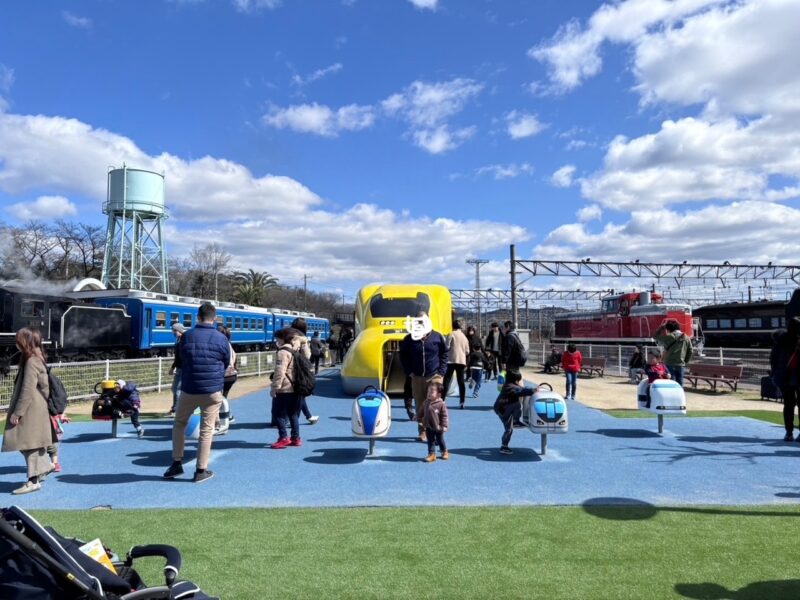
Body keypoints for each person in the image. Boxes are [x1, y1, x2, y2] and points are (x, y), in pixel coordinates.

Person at [164, 302, 230, 483]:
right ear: (214, 318)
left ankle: (176, 463)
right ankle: (201, 470)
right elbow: (225, 362)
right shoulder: (221, 338)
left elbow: (181, 359)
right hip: (212, 390)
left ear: (197, 317)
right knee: (206, 430)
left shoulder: (187, 336)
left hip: (189, 388)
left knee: (179, 423)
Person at [1, 328, 57, 494]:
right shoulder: (37, 358)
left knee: (28, 443)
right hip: (36, 407)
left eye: (18, 340)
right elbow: (44, 387)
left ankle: (34, 480)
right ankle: (43, 469)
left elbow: (27, 389)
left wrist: (18, 413)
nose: (16, 343)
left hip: (30, 409)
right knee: (33, 444)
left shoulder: (31, 361)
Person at [399, 311, 448, 442]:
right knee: (420, 405)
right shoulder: (409, 339)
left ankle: (436, 432)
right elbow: (403, 355)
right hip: (417, 376)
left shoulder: (437, 337)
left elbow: (444, 354)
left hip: (434, 376)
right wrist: (409, 371)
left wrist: (441, 371)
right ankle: (423, 432)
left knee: (434, 404)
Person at [270, 327, 305, 448]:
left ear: (282, 338)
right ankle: (296, 438)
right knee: (293, 414)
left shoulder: (282, 352)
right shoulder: (295, 351)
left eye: (277, 338)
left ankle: (283, 437)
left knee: (278, 413)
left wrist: (275, 387)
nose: (276, 341)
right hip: (296, 387)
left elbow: (280, 371)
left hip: (285, 388)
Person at [494, 371, 539, 455]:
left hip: (504, 408)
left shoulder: (508, 385)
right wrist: (534, 390)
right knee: (516, 404)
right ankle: (515, 421)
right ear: (515, 380)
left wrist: (530, 389)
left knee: (509, 429)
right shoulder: (511, 387)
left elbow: (522, 389)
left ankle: (504, 445)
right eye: (518, 380)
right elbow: (521, 391)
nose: (519, 382)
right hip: (503, 409)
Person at [770, 317, 800, 441]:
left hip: (784, 377)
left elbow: (773, 359)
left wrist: (775, 373)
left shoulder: (780, 341)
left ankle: (789, 432)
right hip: (798, 376)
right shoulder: (798, 341)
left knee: (788, 405)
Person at [291, 317, 319, 425]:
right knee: (300, 393)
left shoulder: (288, 335)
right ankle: (295, 418)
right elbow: (307, 355)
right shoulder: (302, 338)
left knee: (298, 394)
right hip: (300, 369)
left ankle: (308, 416)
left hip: (289, 368)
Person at [654, 319, 693, 387]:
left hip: (669, 364)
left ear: (668, 329)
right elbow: (690, 351)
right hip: (680, 364)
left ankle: (670, 397)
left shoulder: (670, 337)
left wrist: (662, 327)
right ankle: (679, 397)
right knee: (680, 385)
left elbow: (655, 336)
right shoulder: (686, 337)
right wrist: (684, 361)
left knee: (670, 384)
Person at [214, 324, 236, 436]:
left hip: (224, 375)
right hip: (231, 375)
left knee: (218, 399)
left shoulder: (221, 343)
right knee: (223, 398)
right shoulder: (228, 343)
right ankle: (227, 417)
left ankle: (220, 423)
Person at [442, 321, 469, 409]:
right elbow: (467, 351)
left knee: (447, 380)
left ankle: (442, 400)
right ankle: (462, 402)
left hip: (451, 360)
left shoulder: (451, 334)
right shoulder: (464, 336)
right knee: (461, 382)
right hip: (461, 361)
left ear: (453, 326)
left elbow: (446, 346)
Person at [422, 381, 449, 462]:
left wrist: (444, 426)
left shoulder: (441, 404)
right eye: (428, 391)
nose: (429, 393)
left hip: (438, 427)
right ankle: (432, 454)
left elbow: (444, 416)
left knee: (440, 440)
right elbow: (421, 411)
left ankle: (444, 451)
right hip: (429, 426)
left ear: (439, 395)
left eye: (432, 392)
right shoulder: (426, 402)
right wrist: (417, 416)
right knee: (430, 440)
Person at [168, 322, 185, 415]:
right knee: (175, 388)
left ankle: (177, 409)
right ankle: (175, 408)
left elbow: (180, 357)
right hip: (179, 367)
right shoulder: (179, 340)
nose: (173, 332)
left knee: (177, 389)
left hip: (182, 368)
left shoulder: (182, 341)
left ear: (179, 330)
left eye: (174, 330)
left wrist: (173, 367)